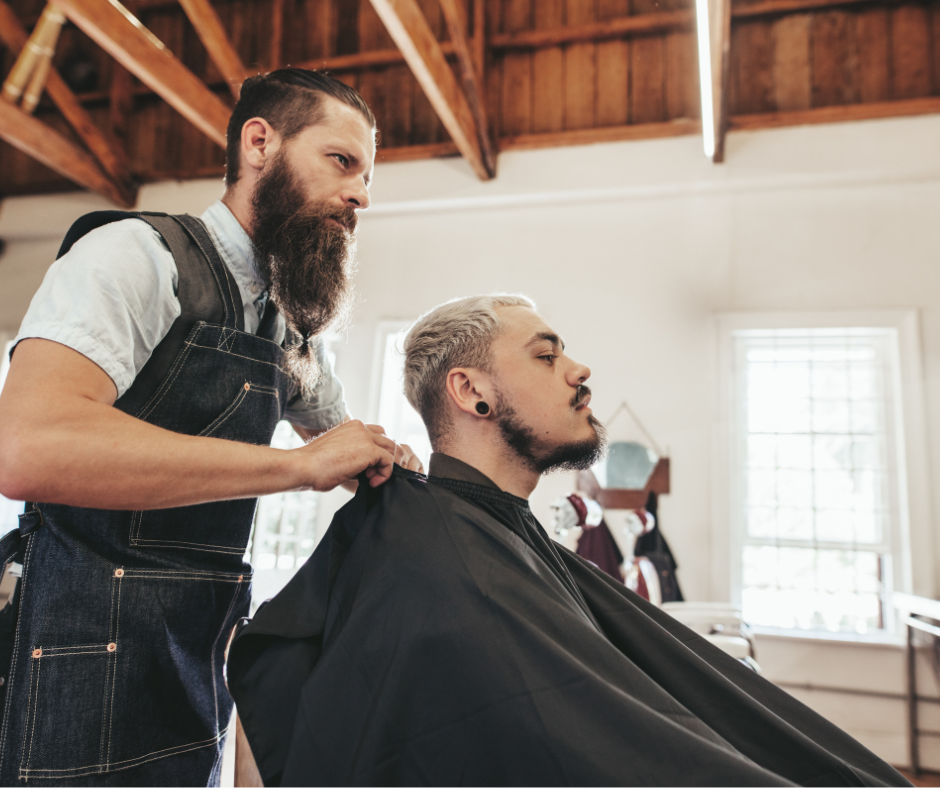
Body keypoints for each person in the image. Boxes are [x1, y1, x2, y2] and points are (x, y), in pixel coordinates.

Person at [226, 294, 908, 787]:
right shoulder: (443, 568)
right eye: (548, 356)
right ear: (473, 393)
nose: (580, 370)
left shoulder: (486, 534)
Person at [0, 68, 421, 786]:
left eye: (367, 177)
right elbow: (29, 447)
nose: (361, 195)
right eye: (342, 162)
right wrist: (298, 466)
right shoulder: (134, 256)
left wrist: (394, 469)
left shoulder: (283, 320)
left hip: (193, 650)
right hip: (74, 643)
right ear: (260, 142)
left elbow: (340, 434)